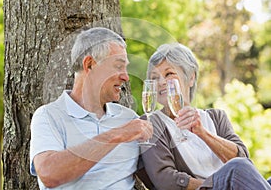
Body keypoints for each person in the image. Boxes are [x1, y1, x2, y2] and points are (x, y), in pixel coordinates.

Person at [29, 27, 153, 189]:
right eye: (118, 66)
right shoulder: (49, 116)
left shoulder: (129, 119)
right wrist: (119, 134)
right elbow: (49, 174)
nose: (126, 77)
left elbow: (158, 178)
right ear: (89, 64)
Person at [137, 43, 271, 190]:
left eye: (169, 74)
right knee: (237, 167)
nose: (161, 82)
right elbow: (165, 179)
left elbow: (243, 159)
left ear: (191, 78)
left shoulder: (216, 117)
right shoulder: (151, 123)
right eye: (154, 78)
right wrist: (219, 184)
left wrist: (202, 132)